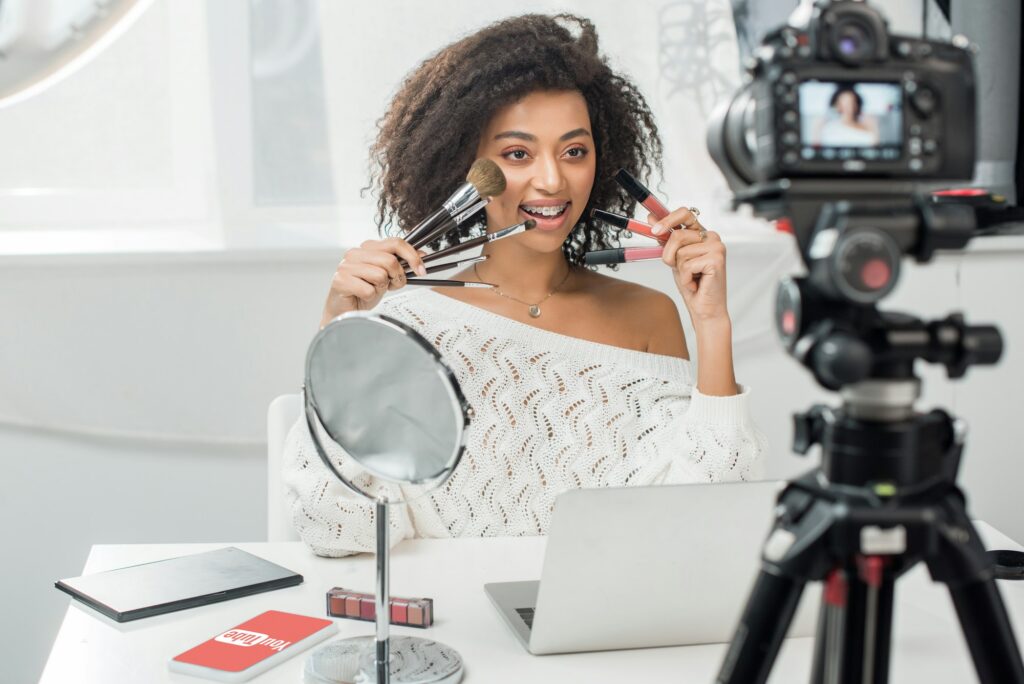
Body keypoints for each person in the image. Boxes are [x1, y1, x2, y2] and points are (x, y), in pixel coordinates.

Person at [283, 13, 766, 557]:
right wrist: (336, 328)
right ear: (463, 165)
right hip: (448, 626)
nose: (553, 180)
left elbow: (702, 522)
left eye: (574, 151)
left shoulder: (649, 317)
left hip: (601, 624)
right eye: (517, 154)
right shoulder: (403, 327)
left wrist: (712, 323)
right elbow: (336, 527)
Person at [813, 84, 880, 147]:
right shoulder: (830, 128)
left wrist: (874, 128)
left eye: (852, 102)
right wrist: (817, 128)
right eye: (845, 103)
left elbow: (875, 150)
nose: (849, 107)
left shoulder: (868, 126)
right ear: (837, 106)